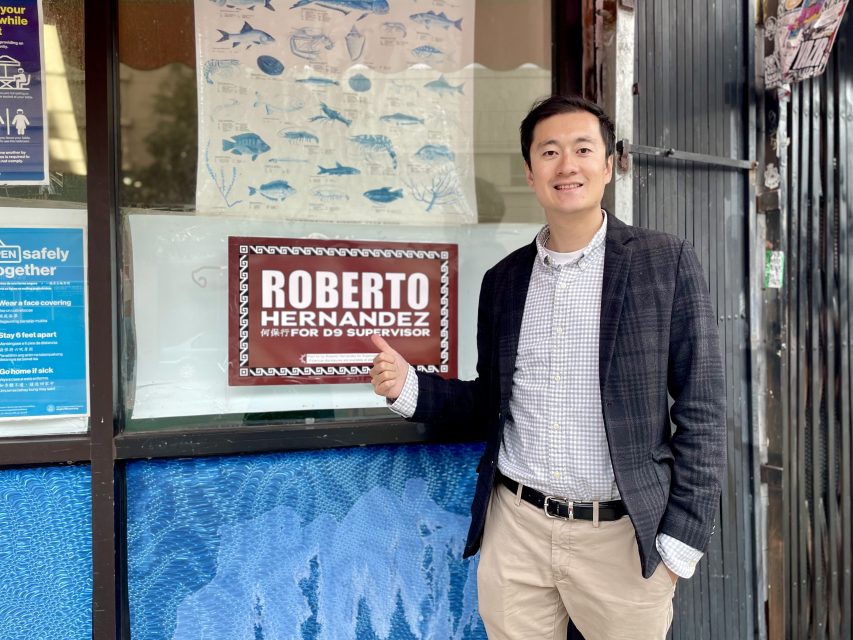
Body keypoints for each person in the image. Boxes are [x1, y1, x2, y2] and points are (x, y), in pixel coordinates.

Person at [369, 94, 726, 640]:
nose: (567, 165)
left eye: (583, 149)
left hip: (622, 537)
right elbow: (491, 402)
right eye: (550, 152)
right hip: (518, 530)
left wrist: (684, 538)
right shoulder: (503, 282)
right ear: (530, 174)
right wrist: (409, 387)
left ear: (608, 165)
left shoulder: (665, 262)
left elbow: (703, 408)